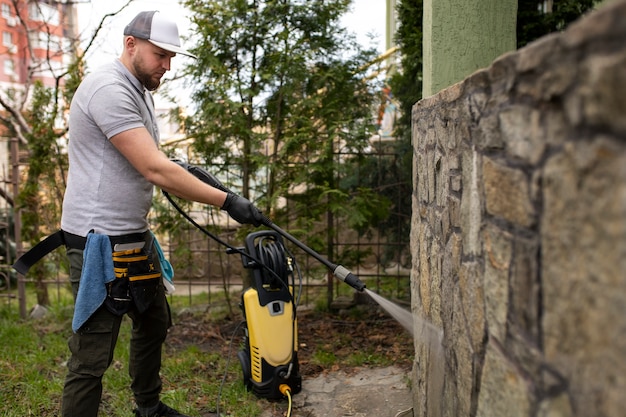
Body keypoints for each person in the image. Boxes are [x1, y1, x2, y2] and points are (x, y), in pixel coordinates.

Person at [59, 10, 263, 417]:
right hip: (99, 242)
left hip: (134, 234)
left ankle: (148, 408)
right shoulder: (107, 88)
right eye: (160, 55)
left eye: (172, 57)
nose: (167, 66)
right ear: (131, 44)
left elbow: (156, 159)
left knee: (154, 323)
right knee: (91, 356)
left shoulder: (140, 92)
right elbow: (154, 169)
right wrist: (227, 202)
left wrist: (205, 181)